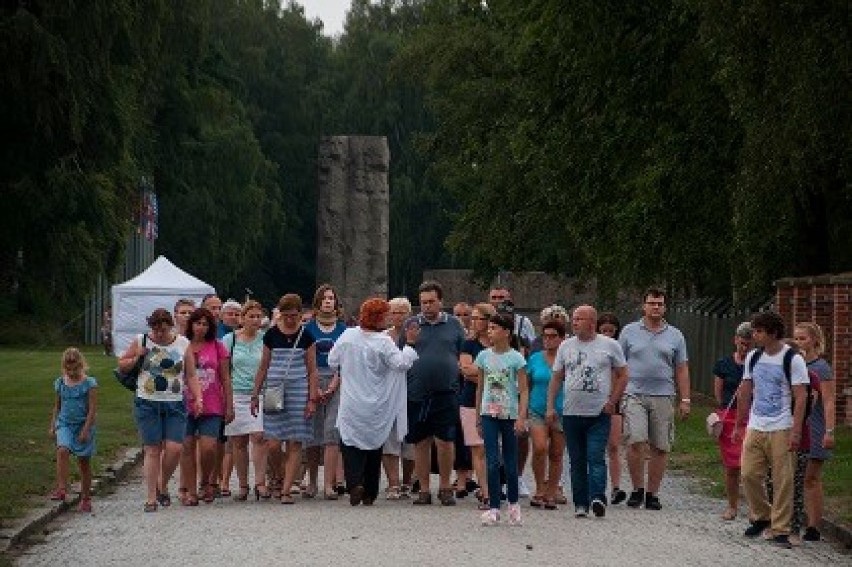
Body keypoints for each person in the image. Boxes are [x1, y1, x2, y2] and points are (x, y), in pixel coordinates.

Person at [328, 298, 420, 506]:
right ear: (379, 318)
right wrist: (411, 343)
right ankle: (370, 491)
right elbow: (402, 363)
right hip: (377, 402)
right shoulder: (384, 342)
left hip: (352, 401)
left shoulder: (349, 335)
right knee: (373, 445)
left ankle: (354, 483)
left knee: (350, 444)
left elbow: (332, 361)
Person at [735, 311, 809, 548]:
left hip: (781, 425)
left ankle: (780, 528)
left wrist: (796, 431)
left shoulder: (792, 359)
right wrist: (739, 422)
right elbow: (745, 389)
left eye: (759, 331)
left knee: (782, 479)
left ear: (773, 333)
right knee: (748, 473)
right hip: (757, 424)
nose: (754, 335)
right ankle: (761, 515)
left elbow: (801, 395)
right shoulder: (753, 358)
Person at [547, 305, 627, 518]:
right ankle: (580, 503)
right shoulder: (566, 346)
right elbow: (556, 377)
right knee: (577, 459)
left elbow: (623, 374)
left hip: (598, 412)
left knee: (595, 456)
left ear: (592, 322)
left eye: (579, 319)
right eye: (573, 319)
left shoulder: (609, 346)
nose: (574, 322)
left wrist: (613, 401)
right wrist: (550, 406)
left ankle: (597, 497)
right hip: (572, 412)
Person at [118, 308, 198, 512]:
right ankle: (151, 497)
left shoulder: (183, 343)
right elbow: (122, 365)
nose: (159, 334)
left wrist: (198, 397)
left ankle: (162, 484)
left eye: (163, 330)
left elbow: (191, 375)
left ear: (171, 326)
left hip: (175, 401)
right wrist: (137, 357)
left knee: (175, 448)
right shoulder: (141, 340)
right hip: (147, 400)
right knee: (152, 449)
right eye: (156, 330)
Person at [619, 287, 690, 510]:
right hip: (634, 392)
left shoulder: (675, 335)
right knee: (636, 439)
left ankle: (652, 493)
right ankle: (637, 488)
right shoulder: (629, 332)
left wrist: (685, 399)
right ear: (644, 306)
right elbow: (619, 365)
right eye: (652, 303)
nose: (656, 307)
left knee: (660, 445)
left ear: (665, 307)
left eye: (659, 304)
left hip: (664, 394)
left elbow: (681, 368)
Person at [250, 293, 319, 504]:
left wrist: (312, 398)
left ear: (300, 314)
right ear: (280, 314)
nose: (290, 319)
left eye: (294, 315)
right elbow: (264, 365)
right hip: (274, 390)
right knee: (272, 442)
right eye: (286, 315)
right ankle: (278, 476)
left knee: (295, 442)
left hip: (299, 390)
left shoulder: (307, 336)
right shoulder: (270, 335)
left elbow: (312, 370)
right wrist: (255, 393)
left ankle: (287, 489)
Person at [404, 281, 466, 506]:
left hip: (446, 392)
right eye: (423, 302)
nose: (427, 306)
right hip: (417, 392)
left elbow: (463, 352)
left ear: (441, 301)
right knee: (420, 441)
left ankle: (445, 486)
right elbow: (402, 353)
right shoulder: (411, 325)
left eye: (431, 302)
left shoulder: (455, 325)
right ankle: (423, 488)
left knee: (446, 441)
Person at [475, 313, 529, 526]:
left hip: (509, 413)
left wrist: (521, 417)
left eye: (494, 328)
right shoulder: (483, 356)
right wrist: (479, 416)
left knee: (510, 460)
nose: (490, 332)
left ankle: (514, 504)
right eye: (489, 328)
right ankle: (494, 506)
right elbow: (480, 387)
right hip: (489, 412)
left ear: (506, 332)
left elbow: (523, 389)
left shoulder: (516, 358)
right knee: (491, 460)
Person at [181, 307, 234, 504]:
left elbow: (226, 378)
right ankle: (191, 491)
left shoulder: (217, 346)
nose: (200, 328)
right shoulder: (181, 345)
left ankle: (206, 481)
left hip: (212, 403)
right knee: (186, 447)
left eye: (205, 324)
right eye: (197, 323)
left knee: (209, 447)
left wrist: (229, 405)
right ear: (191, 325)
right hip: (184, 403)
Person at [793, 322, 836, 543]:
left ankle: (813, 525)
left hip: (816, 426)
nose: (800, 343)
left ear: (814, 341)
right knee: (794, 475)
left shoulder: (821, 368)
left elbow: (828, 401)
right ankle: (794, 518)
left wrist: (829, 431)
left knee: (811, 477)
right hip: (796, 426)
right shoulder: (792, 364)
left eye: (804, 338)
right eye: (797, 339)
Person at [305, 284, 347, 499]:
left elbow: (345, 361)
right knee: (312, 433)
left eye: (331, 298)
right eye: (324, 298)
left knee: (332, 433)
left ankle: (328, 484)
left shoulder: (344, 330)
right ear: (317, 302)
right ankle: (311, 481)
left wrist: (334, 383)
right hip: (312, 379)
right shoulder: (308, 328)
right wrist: (314, 387)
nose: (328, 301)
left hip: (336, 379)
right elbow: (305, 360)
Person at [222, 300, 267, 501]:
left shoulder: (266, 339)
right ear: (242, 318)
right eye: (252, 316)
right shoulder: (229, 340)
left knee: (258, 436)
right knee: (238, 441)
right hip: (236, 392)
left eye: (259, 317)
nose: (255, 320)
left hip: (259, 393)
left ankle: (260, 482)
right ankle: (242, 484)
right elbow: (224, 371)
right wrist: (227, 397)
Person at [711, 322, 753, 521]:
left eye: (748, 344)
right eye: (742, 343)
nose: (744, 348)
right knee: (731, 466)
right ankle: (732, 506)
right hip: (729, 415)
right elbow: (718, 391)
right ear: (735, 340)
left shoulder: (757, 363)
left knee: (751, 465)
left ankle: (754, 508)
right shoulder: (724, 364)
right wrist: (722, 411)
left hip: (751, 416)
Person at [49, 348, 97, 512]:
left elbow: (92, 410)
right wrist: (53, 424)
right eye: (68, 370)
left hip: (83, 425)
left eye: (74, 369)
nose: (71, 373)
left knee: (84, 462)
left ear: (81, 365)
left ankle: (85, 498)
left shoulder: (89, 383)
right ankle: (62, 488)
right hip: (65, 424)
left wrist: (85, 430)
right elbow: (58, 405)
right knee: (62, 450)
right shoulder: (60, 383)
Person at [458, 302, 496, 508]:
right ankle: (486, 492)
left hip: (498, 401)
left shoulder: (501, 345)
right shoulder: (468, 344)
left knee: (494, 447)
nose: (474, 322)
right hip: (471, 400)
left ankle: (495, 487)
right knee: (478, 448)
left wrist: (478, 372)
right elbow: (465, 369)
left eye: (478, 318)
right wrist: (493, 374)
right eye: (472, 318)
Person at [527, 319, 566, 509]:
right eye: (546, 336)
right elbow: (527, 384)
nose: (549, 340)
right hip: (537, 409)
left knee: (557, 453)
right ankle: (539, 487)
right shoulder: (534, 358)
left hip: (562, 411)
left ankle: (552, 491)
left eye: (553, 336)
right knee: (540, 447)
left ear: (562, 339)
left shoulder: (567, 358)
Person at [382, 297, 417, 499]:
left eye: (402, 312)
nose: (398, 316)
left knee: (410, 442)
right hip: (389, 393)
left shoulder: (415, 335)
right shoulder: (383, 338)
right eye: (393, 312)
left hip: (412, 392)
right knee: (389, 440)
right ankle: (393, 483)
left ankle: (407, 481)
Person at [597, 313, 627, 505]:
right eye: (604, 330)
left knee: (614, 445)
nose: (608, 334)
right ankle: (596, 486)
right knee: (595, 447)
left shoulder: (618, 352)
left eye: (611, 331)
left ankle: (616, 486)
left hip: (614, 402)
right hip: (594, 401)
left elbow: (622, 376)